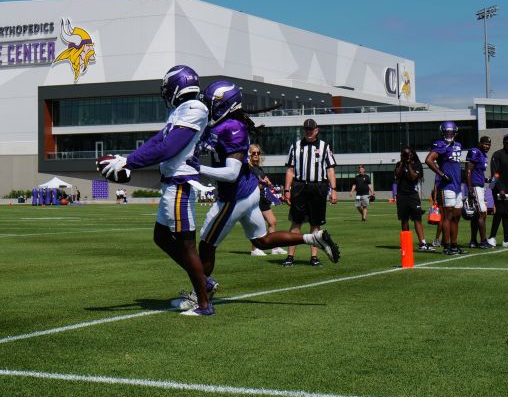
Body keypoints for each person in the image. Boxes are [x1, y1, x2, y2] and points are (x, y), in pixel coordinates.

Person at [192, 81, 339, 309]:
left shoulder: (230, 127)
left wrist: (196, 168)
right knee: (261, 241)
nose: (208, 107)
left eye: (212, 103)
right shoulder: (230, 124)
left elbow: (230, 173)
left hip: (235, 195)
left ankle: (201, 292)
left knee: (206, 244)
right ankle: (313, 238)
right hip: (248, 191)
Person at [97, 65, 214, 316]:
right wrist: (128, 158)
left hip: (181, 184)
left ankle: (204, 303)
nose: (166, 92)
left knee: (187, 246)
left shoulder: (196, 108)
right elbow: (157, 140)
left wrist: (129, 163)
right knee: (161, 237)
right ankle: (204, 283)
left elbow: (169, 148)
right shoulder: (180, 110)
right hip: (171, 183)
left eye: (168, 87)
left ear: (177, 86)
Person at [281, 118, 338, 266]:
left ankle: (313, 257)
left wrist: (334, 190)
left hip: (318, 187)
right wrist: (287, 190)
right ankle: (289, 256)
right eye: (306, 129)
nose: (308, 131)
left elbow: (330, 169)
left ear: (316, 130)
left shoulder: (325, 146)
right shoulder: (295, 146)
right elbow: (290, 170)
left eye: (311, 129)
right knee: (296, 222)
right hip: (299, 187)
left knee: (315, 224)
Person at [425, 121, 465, 255]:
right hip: (447, 186)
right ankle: (446, 246)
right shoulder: (440, 144)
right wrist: (441, 174)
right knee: (447, 216)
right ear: (442, 132)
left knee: (456, 217)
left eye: (451, 132)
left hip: (458, 186)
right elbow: (429, 160)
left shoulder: (458, 145)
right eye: (447, 132)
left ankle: (454, 245)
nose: (449, 134)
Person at [246, 144, 286, 257]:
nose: (256, 155)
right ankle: (255, 249)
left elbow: (263, 182)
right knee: (259, 225)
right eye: (254, 153)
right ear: (249, 154)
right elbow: (250, 185)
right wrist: (262, 184)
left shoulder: (258, 168)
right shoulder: (248, 168)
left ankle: (274, 247)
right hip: (255, 199)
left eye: (258, 153)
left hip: (263, 199)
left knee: (272, 222)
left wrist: (267, 182)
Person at [394, 147, 432, 251]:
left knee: (417, 219)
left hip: (413, 195)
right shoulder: (399, 164)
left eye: (408, 154)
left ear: (412, 154)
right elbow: (397, 175)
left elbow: (413, 177)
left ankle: (422, 243)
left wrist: (409, 164)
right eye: (404, 154)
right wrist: (402, 163)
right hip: (401, 195)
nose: (406, 156)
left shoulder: (417, 164)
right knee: (404, 220)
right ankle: (406, 244)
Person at [487, 133, 508, 247]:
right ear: (503, 142)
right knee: (499, 213)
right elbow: (495, 173)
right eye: (507, 142)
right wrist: (500, 188)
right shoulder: (497, 155)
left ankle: (507, 240)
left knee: (507, 214)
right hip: (498, 190)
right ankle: (492, 237)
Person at [465, 135, 491, 248]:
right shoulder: (475, 152)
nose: (487, 146)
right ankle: (483, 241)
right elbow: (468, 170)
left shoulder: (482, 155)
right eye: (485, 144)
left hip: (480, 185)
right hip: (475, 186)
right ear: (480, 143)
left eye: (489, 145)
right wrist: (470, 189)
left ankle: (473, 240)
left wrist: (486, 179)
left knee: (477, 215)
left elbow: (477, 171)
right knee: (482, 213)